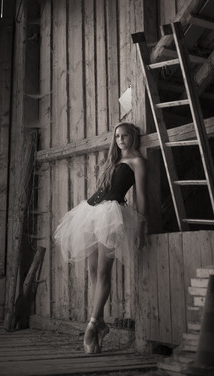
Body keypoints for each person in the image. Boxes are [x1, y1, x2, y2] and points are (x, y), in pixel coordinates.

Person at [54, 122, 147, 353]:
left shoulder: (137, 162)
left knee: (104, 272)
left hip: (112, 216)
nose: (120, 139)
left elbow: (142, 197)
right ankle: (101, 323)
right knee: (94, 272)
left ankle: (92, 325)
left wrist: (142, 228)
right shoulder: (111, 161)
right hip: (91, 212)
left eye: (125, 135)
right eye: (117, 136)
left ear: (133, 137)